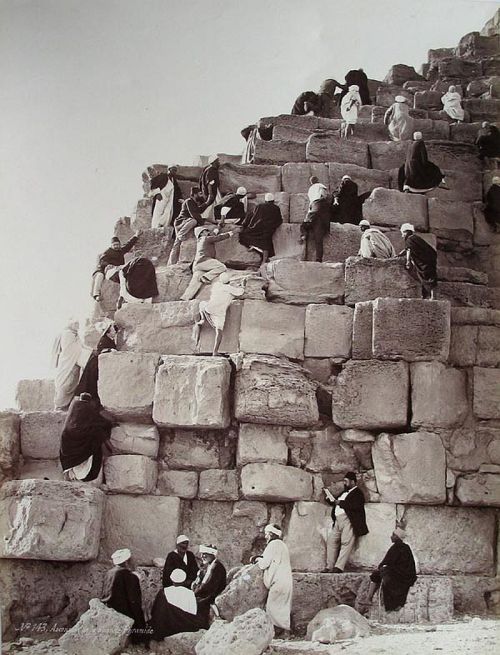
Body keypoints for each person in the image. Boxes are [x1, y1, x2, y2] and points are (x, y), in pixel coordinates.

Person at [59, 392, 114, 482]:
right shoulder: (93, 428)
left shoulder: (66, 431)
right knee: (98, 437)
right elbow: (103, 422)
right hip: (88, 474)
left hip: (70, 469)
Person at [324, 471, 369, 573]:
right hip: (338, 521)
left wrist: (341, 503)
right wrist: (330, 499)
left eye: (346, 481)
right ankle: (329, 566)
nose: (344, 483)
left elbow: (356, 505)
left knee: (346, 542)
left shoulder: (358, 493)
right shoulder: (344, 493)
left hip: (348, 520)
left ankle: (339, 567)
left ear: (352, 481)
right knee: (331, 541)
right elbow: (337, 502)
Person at [102, 548, 148, 645]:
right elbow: (134, 601)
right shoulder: (129, 576)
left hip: (109, 609)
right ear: (127, 561)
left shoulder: (109, 573)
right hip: (123, 613)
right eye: (132, 559)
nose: (135, 562)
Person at [192, 272, 245, 356]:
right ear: (229, 282)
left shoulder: (216, 286)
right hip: (219, 313)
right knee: (219, 331)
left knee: (201, 304)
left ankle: (202, 319)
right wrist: (242, 285)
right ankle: (215, 351)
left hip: (209, 308)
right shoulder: (230, 289)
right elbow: (240, 292)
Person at [365, 528, 417, 612]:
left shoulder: (396, 547)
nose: (391, 537)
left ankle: (369, 598)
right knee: (380, 574)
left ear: (397, 537)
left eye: (393, 535)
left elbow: (388, 561)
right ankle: (369, 597)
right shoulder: (405, 547)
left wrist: (381, 567)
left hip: (400, 573)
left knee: (378, 575)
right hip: (405, 573)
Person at [180, 225, 236, 301]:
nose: (208, 232)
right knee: (222, 267)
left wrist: (219, 227)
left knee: (195, 282)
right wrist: (231, 232)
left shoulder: (200, 241)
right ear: (202, 233)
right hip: (205, 261)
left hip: (197, 265)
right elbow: (218, 237)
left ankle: (185, 298)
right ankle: (206, 277)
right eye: (206, 231)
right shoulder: (206, 238)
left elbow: (214, 234)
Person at [257, 524, 293, 637]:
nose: (265, 536)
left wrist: (256, 559)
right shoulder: (282, 545)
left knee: (272, 608)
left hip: (278, 582)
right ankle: (285, 632)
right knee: (283, 607)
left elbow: (264, 564)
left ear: (271, 534)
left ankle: (280, 632)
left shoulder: (272, 545)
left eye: (267, 534)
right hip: (286, 581)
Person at [167, 186, 216, 265]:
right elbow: (194, 215)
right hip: (181, 222)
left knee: (177, 243)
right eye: (199, 194)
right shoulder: (189, 201)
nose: (201, 196)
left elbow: (198, 210)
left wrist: (206, 204)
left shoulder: (193, 203)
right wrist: (203, 222)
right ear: (194, 194)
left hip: (185, 222)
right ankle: (181, 234)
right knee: (194, 221)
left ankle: (171, 264)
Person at [149, 568, 200, 641]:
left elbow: (155, 612)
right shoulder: (190, 593)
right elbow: (193, 612)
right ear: (184, 580)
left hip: (168, 626)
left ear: (171, 579)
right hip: (185, 626)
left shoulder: (164, 592)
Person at [52, 318, 91, 410]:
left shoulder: (75, 334)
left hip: (74, 363)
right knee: (65, 384)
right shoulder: (67, 334)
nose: (78, 325)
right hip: (67, 363)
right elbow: (71, 349)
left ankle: (67, 406)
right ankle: (59, 406)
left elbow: (81, 346)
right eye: (76, 323)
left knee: (72, 384)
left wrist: (91, 350)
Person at [75, 319, 117, 403]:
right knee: (91, 380)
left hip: (100, 362)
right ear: (108, 331)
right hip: (96, 363)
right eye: (112, 328)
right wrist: (110, 350)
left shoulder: (109, 339)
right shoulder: (104, 340)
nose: (115, 330)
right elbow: (101, 350)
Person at [91, 234, 139, 302]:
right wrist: (108, 265)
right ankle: (96, 295)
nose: (116, 246)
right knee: (99, 276)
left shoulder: (121, 251)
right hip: (104, 270)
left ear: (119, 244)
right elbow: (102, 261)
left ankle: (126, 296)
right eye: (114, 245)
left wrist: (136, 236)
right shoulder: (107, 252)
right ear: (111, 245)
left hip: (116, 269)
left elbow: (129, 245)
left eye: (117, 244)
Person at [238, 193, 283, 263]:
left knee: (243, 235)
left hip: (258, 228)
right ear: (273, 201)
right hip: (269, 231)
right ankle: (264, 260)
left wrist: (247, 225)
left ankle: (255, 247)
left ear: (265, 201)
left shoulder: (260, 206)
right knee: (266, 243)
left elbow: (253, 217)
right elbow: (279, 220)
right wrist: (272, 226)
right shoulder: (276, 208)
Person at [192, 544, 227, 629]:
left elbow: (208, 586)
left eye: (205, 554)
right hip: (206, 591)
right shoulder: (208, 565)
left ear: (212, 555)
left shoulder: (216, 567)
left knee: (198, 603)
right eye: (202, 554)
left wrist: (194, 593)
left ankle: (201, 627)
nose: (202, 556)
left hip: (212, 594)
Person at [400, 223, 438, 300]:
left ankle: (429, 296)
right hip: (430, 260)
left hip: (423, 263)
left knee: (425, 277)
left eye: (403, 233)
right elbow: (408, 248)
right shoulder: (416, 238)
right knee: (431, 276)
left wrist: (408, 261)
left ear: (406, 232)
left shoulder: (409, 239)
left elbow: (409, 250)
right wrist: (401, 253)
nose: (402, 235)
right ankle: (430, 295)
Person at [300, 183, 332, 262]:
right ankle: (318, 259)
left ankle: (303, 235)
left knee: (303, 225)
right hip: (322, 222)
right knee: (319, 241)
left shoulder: (314, 197)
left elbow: (311, 211)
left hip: (314, 217)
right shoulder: (326, 201)